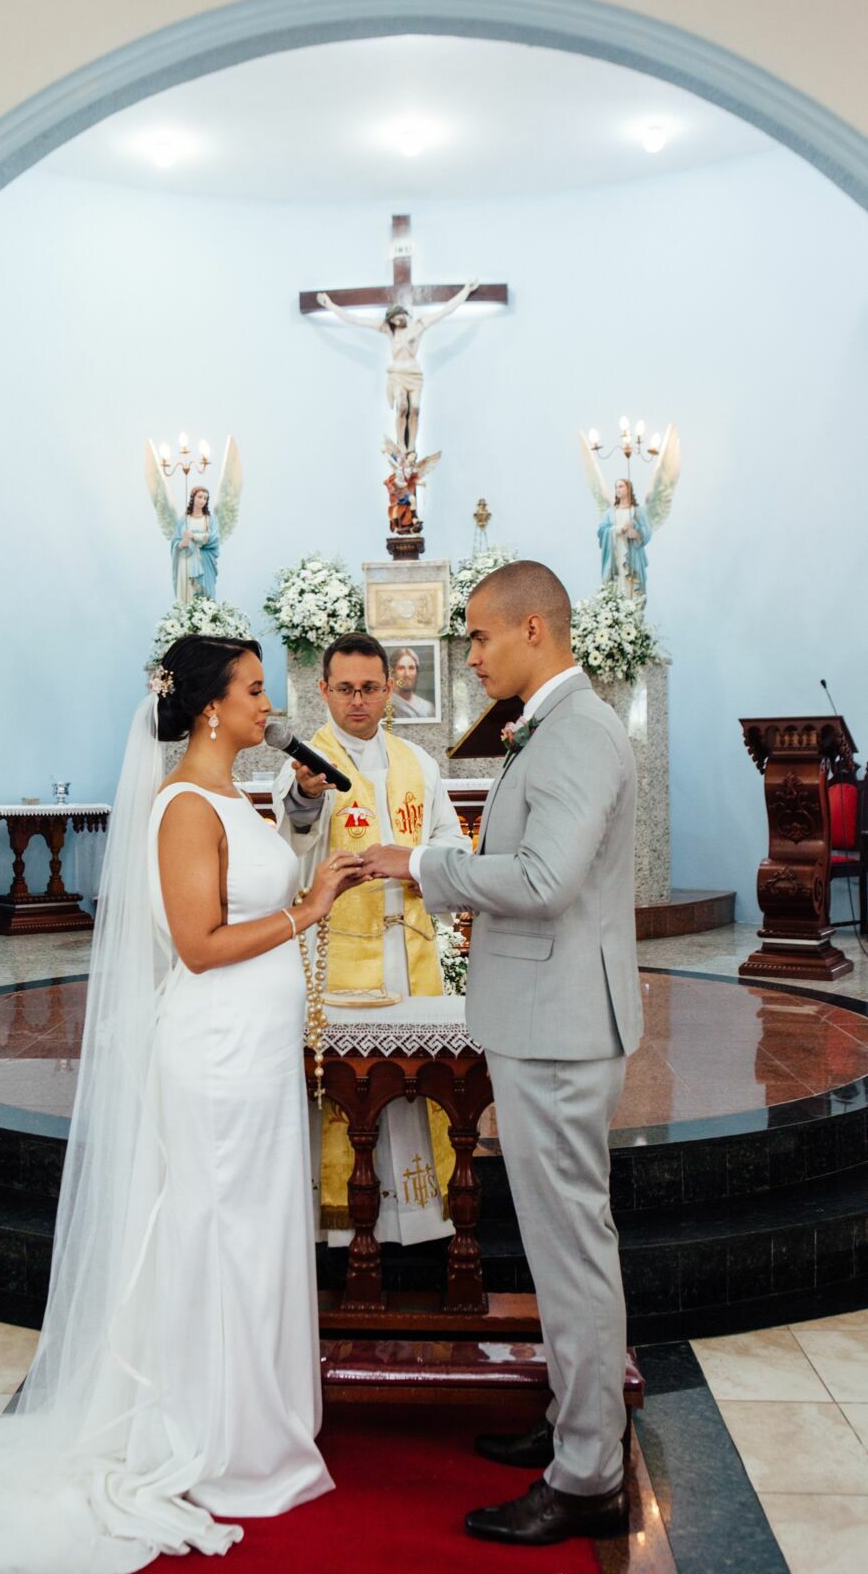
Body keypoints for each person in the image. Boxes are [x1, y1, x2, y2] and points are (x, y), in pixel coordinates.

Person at [0, 633, 363, 1572]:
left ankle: (253, 1415)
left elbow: (255, 876)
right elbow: (197, 943)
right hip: (215, 1051)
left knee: (253, 1226)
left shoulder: (235, 794)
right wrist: (308, 912)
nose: (264, 707)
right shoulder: (184, 806)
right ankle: (213, 1430)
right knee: (216, 1229)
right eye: (251, 692)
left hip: (255, 1050)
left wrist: (304, 848)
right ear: (205, 709)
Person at [363, 561, 642, 1548]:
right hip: (549, 1014)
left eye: (478, 637)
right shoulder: (556, 724)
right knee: (568, 1246)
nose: (467, 655)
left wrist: (423, 864)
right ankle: (576, 1430)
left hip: (560, 1025)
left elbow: (539, 876)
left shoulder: (577, 731)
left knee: (570, 1255)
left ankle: (587, 1476)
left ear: (533, 628)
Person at [272, 632, 469, 1247]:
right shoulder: (306, 762)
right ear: (324, 690)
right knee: (348, 1086)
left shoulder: (419, 764)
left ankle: (412, 1218)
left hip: (408, 950)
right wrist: (305, 796)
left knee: (411, 1082)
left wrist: (412, 860)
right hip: (336, 953)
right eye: (345, 689)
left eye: (370, 688)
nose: (358, 702)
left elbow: (453, 846)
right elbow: (291, 845)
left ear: (390, 689)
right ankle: (340, 1223)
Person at [317, 283, 478, 452]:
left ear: (403, 312)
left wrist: (465, 291)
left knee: (414, 408)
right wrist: (330, 305)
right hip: (397, 374)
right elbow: (356, 320)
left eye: (397, 316)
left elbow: (446, 310)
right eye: (392, 319)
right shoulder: (389, 331)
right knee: (402, 406)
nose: (396, 320)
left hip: (414, 374)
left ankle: (411, 447)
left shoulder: (419, 326)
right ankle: (401, 444)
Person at [598, 477, 651, 598]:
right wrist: (619, 529)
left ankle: (631, 610)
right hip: (615, 554)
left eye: (621, 486)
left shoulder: (637, 512)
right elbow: (601, 531)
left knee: (631, 584)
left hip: (632, 555)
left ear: (628, 489)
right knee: (617, 583)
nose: (617, 489)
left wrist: (637, 534)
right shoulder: (610, 513)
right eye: (616, 487)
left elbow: (647, 532)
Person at [171, 484, 219, 601]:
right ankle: (186, 616)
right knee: (187, 592)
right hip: (186, 560)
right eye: (200, 497)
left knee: (203, 593)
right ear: (193, 498)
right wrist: (181, 544)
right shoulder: (184, 520)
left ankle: (203, 616)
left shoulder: (210, 520)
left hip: (203, 561)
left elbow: (214, 539)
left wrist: (195, 536)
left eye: (205, 498)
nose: (203, 500)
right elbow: (175, 540)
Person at [389, 645, 435, 720]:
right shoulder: (385, 704)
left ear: (417, 672)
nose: (407, 674)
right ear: (393, 673)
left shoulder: (428, 708)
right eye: (401, 668)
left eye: (411, 668)